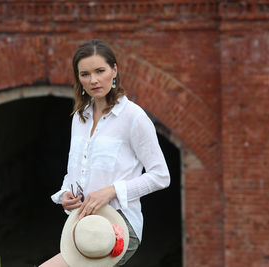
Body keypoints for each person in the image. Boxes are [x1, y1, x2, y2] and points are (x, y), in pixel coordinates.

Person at [39, 39, 170, 267]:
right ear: (78, 78)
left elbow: (161, 176)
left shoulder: (134, 117)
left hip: (118, 225)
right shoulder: (80, 117)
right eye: (85, 74)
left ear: (114, 70)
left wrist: (111, 191)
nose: (94, 80)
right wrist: (65, 195)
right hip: (83, 225)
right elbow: (74, 171)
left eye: (100, 71)